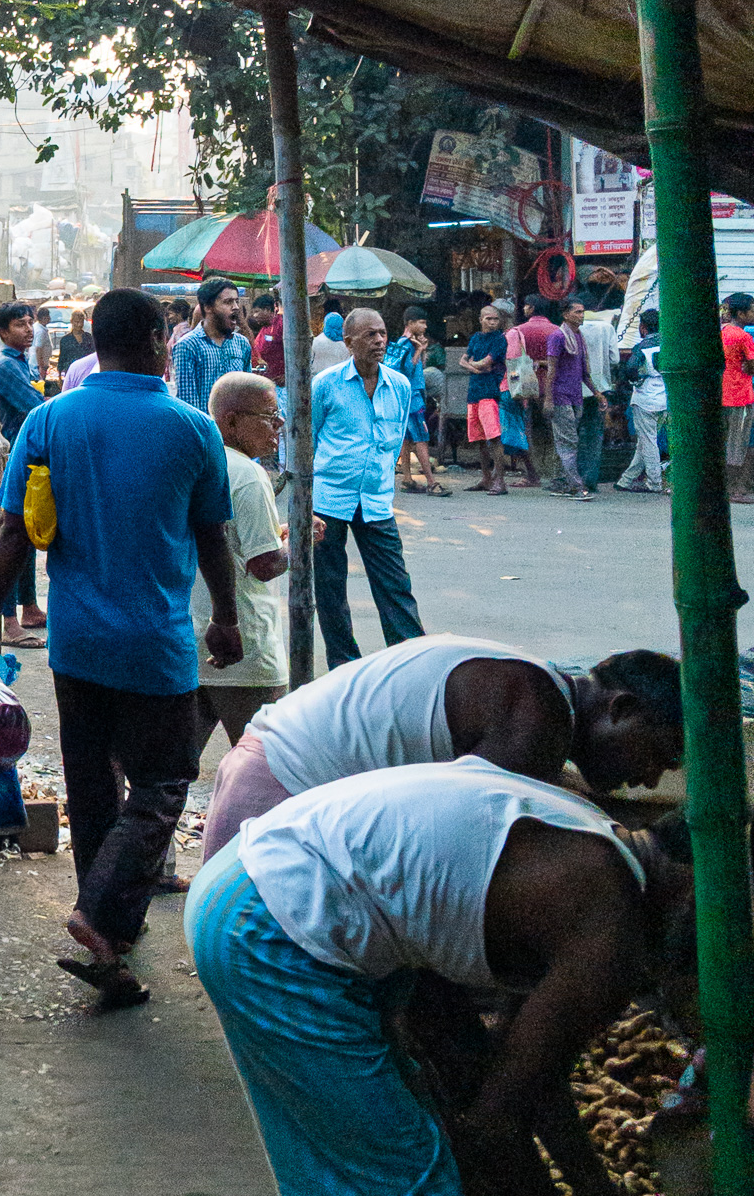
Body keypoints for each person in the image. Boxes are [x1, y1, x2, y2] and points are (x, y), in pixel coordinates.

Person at [189, 761, 697, 1196]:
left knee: (345, 1153)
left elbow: (533, 1081)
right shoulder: (608, 922)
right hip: (276, 925)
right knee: (411, 1175)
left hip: (250, 883)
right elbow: (498, 1121)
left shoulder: (590, 831)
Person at [0, 288, 241, 1007]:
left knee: (92, 789)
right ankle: (102, 915)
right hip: (156, 645)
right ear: (155, 338)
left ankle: (110, 945)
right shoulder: (193, 429)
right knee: (162, 783)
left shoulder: (51, 420)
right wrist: (227, 617)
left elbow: (12, 534)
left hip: (79, 645)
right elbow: (213, 536)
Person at [201, 635, 685, 857]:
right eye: (657, 756)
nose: (650, 779)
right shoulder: (538, 716)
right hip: (277, 796)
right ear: (620, 710)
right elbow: (466, 853)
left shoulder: (539, 689)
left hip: (260, 771)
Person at [193, 374, 307, 771]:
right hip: (245, 644)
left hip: (191, 639)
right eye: (269, 416)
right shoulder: (248, 475)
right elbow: (263, 565)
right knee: (270, 767)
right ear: (231, 421)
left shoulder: (200, 463)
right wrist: (301, 544)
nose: (278, 427)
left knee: (171, 771)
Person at [312, 307, 424, 669]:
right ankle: (344, 665)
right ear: (348, 343)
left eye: (382, 333)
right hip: (329, 498)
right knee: (330, 588)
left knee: (394, 584)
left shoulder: (400, 386)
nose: (379, 341)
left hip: (376, 500)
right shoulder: (326, 384)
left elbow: (394, 439)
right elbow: (306, 440)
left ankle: (410, 661)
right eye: (369, 335)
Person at [0, 301, 49, 647]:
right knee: (14, 536)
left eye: (29, 323)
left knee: (28, 535)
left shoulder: (21, 362)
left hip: (27, 459)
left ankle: (29, 606)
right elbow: (35, 407)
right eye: (19, 325)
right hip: (14, 458)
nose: (28, 329)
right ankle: (9, 619)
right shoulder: (5, 367)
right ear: (2, 331)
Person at [538, 299, 607, 500]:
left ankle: (561, 482)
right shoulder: (557, 337)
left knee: (566, 440)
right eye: (577, 312)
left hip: (576, 396)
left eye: (582, 311)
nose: (581, 315)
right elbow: (551, 371)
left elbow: (585, 372)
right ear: (565, 315)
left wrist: (597, 392)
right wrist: (549, 399)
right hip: (560, 396)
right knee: (569, 442)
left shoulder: (579, 337)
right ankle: (576, 486)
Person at [387, 307, 446, 496]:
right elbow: (408, 371)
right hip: (412, 398)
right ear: (410, 323)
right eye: (421, 322)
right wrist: (419, 350)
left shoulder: (400, 343)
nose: (425, 326)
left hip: (403, 399)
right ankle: (431, 482)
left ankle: (407, 479)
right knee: (421, 439)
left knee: (406, 439)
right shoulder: (409, 345)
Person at [172, 277, 252, 412]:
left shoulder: (242, 344)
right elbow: (188, 405)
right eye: (228, 302)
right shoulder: (188, 346)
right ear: (207, 307)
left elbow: (247, 392)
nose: (236, 307)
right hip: (205, 430)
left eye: (236, 301)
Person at [458, 301, 510, 494]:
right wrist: (475, 367)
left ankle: (500, 481)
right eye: (488, 319)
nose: (492, 322)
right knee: (479, 439)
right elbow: (464, 361)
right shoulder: (475, 338)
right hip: (474, 392)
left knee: (494, 437)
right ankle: (487, 478)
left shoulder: (500, 339)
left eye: (496, 319)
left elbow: (484, 362)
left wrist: (473, 365)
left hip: (490, 392)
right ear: (481, 320)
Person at [504, 295, 555, 487]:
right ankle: (554, 470)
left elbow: (510, 360)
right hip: (551, 387)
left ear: (531, 308)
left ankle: (532, 473)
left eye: (526, 305)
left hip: (524, 387)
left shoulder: (517, 331)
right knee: (552, 431)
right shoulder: (557, 331)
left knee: (526, 430)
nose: (524, 308)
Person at [617, 309, 668, 493]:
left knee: (648, 442)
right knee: (646, 441)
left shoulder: (642, 347)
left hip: (645, 397)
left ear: (643, 327)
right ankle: (625, 480)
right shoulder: (668, 343)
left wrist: (636, 380)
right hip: (664, 397)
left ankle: (654, 483)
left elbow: (630, 368)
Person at [578, 302, 622, 492]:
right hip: (600, 389)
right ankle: (591, 479)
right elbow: (615, 359)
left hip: (576, 390)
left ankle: (574, 478)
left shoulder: (574, 328)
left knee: (573, 434)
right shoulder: (607, 328)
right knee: (595, 434)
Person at [721, 292, 754, 503]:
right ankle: (735, 490)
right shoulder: (744, 337)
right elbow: (752, 365)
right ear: (741, 313)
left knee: (725, 442)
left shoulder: (722, 332)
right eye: (751, 309)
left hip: (722, 394)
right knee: (738, 445)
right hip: (740, 395)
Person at [309, 310, 346, 378]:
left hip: (317, 379)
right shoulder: (345, 345)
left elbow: (309, 362)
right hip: (336, 381)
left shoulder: (316, 341)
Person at [57, 308, 91, 373]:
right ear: (71, 321)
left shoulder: (88, 338)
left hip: (86, 372)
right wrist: (60, 376)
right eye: (77, 322)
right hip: (70, 372)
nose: (79, 324)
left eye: (81, 322)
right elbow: (62, 359)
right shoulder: (65, 340)